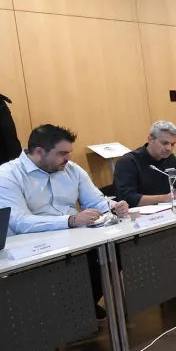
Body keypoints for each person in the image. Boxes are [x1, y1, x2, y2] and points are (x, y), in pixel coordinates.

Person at [0, 125, 131, 320]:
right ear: (38, 152)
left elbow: (95, 200)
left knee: (115, 249)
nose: (68, 159)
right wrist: (70, 220)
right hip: (32, 248)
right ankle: (68, 312)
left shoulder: (72, 170)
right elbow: (20, 222)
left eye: (69, 153)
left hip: (74, 238)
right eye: (62, 154)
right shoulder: (7, 175)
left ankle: (81, 306)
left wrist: (112, 206)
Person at [114, 121, 176, 207]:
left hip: (170, 213)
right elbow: (127, 198)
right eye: (165, 143)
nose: (169, 148)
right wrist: (165, 198)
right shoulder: (128, 162)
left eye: (172, 144)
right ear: (150, 139)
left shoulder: (170, 158)